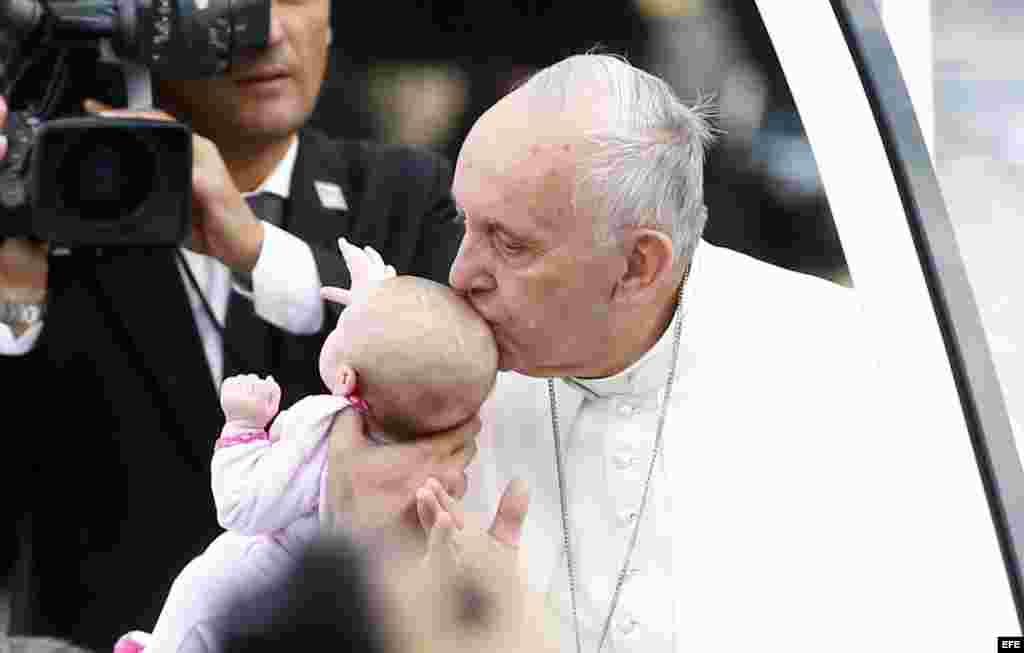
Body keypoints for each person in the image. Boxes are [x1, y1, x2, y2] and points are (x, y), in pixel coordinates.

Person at [327, 53, 883, 652]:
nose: (461, 276)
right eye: (467, 224)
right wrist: (359, 548)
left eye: (510, 244)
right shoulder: (427, 369)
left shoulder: (848, 365)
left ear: (639, 265)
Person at [0, 0, 474, 646]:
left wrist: (258, 251)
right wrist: (13, 295)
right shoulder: (60, 200)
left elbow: (451, 392)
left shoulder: (408, 195)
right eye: (227, 3)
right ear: (142, 26)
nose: (269, 30)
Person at [115, 239, 495, 653]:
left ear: (346, 380)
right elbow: (417, 348)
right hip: (359, 604)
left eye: (342, 328)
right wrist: (377, 312)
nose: (336, 329)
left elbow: (241, 505)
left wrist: (243, 429)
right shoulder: (441, 441)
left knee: (197, 590)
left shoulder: (323, 430)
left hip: (273, 573)